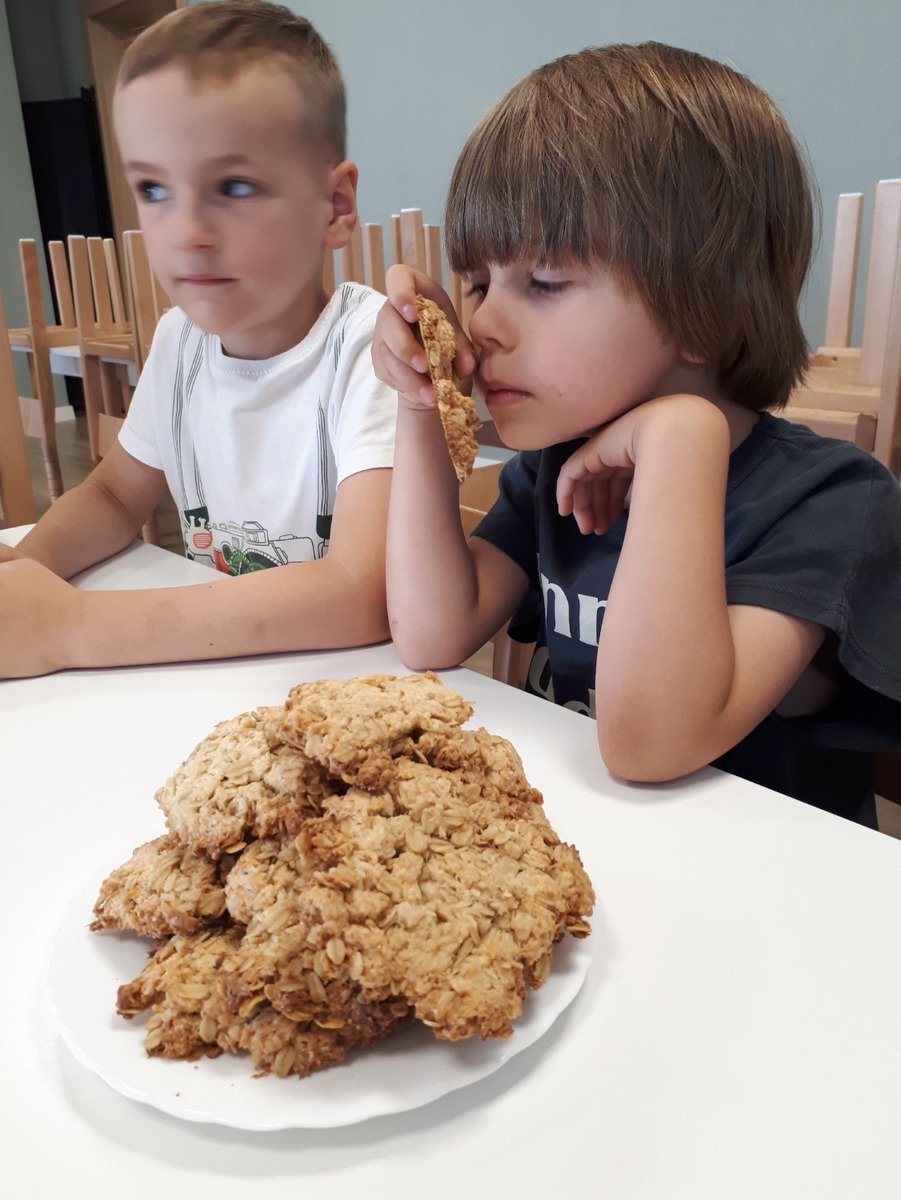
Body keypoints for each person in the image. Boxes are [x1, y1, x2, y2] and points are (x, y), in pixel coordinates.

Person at [372, 42, 901, 826]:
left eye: (543, 282)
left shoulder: (830, 503)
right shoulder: (551, 469)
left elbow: (650, 746)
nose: (481, 322)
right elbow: (430, 634)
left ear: (704, 309)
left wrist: (682, 438)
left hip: (753, 881)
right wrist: (421, 401)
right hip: (590, 848)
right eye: (479, 282)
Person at [0, 0, 396, 675]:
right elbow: (113, 496)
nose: (186, 233)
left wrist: (70, 630)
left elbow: (362, 593)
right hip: (217, 673)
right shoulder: (179, 341)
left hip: (346, 688)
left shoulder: (370, 349)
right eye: (154, 189)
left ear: (335, 206)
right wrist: (23, 576)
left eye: (233, 186)